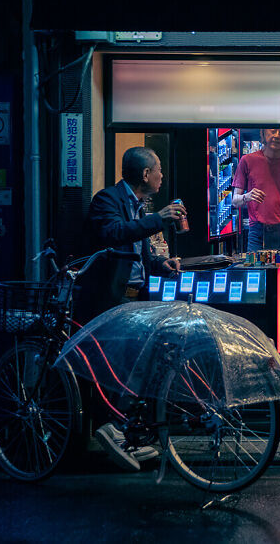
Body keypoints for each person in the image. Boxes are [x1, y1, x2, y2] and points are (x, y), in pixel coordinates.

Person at [80, 146, 185, 470]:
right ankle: (108, 427)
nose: (161, 176)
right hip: (114, 297)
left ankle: (128, 432)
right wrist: (158, 219)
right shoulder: (107, 200)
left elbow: (138, 254)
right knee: (117, 364)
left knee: (138, 363)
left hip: (135, 296)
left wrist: (160, 264)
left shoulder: (137, 205)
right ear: (145, 175)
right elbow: (112, 234)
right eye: (158, 170)